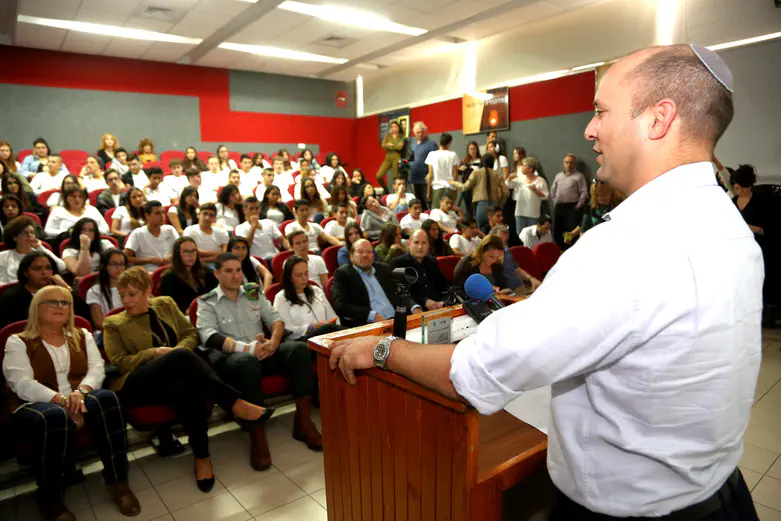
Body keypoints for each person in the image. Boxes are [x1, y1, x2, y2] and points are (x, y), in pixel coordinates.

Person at [329, 44, 763, 521]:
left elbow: (472, 373)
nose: (590, 129)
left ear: (659, 119)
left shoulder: (626, 246)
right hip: (722, 499)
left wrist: (382, 349)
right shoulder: (728, 224)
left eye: (601, 111)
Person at [104, 267, 273, 487]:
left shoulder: (165, 304)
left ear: (147, 291)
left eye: (132, 294)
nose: (126, 300)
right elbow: (118, 362)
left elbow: (190, 334)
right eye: (122, 295)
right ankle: (235, 403)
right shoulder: (113, 323)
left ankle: (202, 458)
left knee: (187, 388)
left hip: (175, 377)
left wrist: (175, 353)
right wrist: (154, 353)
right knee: (181, 358)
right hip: (138, 382)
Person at [3, 285, 140, 521]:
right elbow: (21, 383)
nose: (60, 306)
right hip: (35, 403)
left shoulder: (82, 335)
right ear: (37, 309)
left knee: (107, 398)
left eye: (65, 302)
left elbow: (97, 369)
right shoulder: (18, 341)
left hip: (78, 396)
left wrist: (80, 392)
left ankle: (118, 481)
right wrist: (62, 401)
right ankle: (50, 498)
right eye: (52, 302)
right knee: (54, 416)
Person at [197, 253, 323, 469]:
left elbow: (276, 319)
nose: (235, 276)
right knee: (245, 362)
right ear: (216, 274)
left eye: (238, 270)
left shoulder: (252, 292)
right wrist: (247, 348)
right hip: (233, 360)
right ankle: (257, 435)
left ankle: (304, 422)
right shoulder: (207, 302)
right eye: (228, 271)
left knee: (299, 350)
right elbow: (208, 336)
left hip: (264, 351)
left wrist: (274, 342)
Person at [331, 239, 421, 328]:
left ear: (373, 255)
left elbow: (401, 292)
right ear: (351, 256)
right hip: (371, 327)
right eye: (360, 252)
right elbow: (341, 305)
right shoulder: (343, 274)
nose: (365, 255)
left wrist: (414, 307)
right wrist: (371, 315)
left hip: (398, 321)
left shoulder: (384, 269)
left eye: (369, 252)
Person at [731, 164, 776, 326]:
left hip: (760, 246)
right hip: (738, 248)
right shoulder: (732, 203)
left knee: (761, 279)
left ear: (750, 186)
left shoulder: (763, 201)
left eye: (742, 188)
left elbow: (771, 227)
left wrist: (754, 228)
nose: (739, 192)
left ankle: (765, 311)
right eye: (736, 188)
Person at [0, 251, 87, 330]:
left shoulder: (60, 292)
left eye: (48, 268)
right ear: (25, 272)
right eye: (37, 268)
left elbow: (85, 316)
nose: (44, 272)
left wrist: (66, 288)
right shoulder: (12, 297)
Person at [273, 255, 342, 340]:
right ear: (288, 277)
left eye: (306, 273)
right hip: (303, 340)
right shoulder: (281, 298)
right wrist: (310, 327)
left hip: (328, 335)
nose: (304, 278)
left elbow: (333, 317)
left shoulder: (316, 291)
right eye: (299, 275)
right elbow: (286, 330)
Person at [391, 229, 450, 310]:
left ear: (429, 245)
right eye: (416, 242)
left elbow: (445, 286)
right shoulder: (398, 264)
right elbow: (399, 294)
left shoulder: (432, 261)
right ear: (409, 243)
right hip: (416, 310)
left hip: (439, 307)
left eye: (424, 243)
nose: (420, 247)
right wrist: (425, 301)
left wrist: (443, 302)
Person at [448, 154, 508, 230]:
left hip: (481, 205)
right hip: (494, 205)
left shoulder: (476, 173)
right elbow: (506, 192)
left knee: (482, 230)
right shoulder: (497, 174)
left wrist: (453, 182)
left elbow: (464, 187)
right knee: (495, 230)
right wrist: (500, 204)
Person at [159, 236, 219, 313]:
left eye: (193, 251)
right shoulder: (169, 277)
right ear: (177, 254)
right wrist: (188, 311)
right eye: (186, 251)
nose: (191, 255)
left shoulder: (205, 271)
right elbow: (169, 305)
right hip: (184, 316)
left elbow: (217, 292)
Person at [0, 216, 66, 284]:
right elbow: (2, 282)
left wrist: (40, 248)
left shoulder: (40, 253)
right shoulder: (3, 256)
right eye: (25, 233)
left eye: (32, 232)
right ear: (15, 237)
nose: (30, 235)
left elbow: (61, 267)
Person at [124, 201, 180, 272]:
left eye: (163, 212)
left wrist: (172, 256)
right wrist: (150, 260)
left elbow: (181, 248)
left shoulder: (170, 229)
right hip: (149, 272)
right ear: (147, 216)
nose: (162, 216)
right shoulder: (138, 233)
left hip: (171, 270)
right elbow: (125, 258)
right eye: (157, 213)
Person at [550, 153, 588, 249]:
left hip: (572, 207)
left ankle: (569, 249)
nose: (569, 165)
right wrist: (555, 201)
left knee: (570, 229)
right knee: (558, 229)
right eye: (567, 162)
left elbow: (584, 192)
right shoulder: (558, 176)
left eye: (571, 163)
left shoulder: (579, 176)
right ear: (563, 163)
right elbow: (553, 189)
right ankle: (559, 249)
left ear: (574, 164)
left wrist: (578, 205)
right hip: (559, 206)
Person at [234, 196, 288, 263]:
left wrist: (290, 248)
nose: (254, 211)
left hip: (274, 258)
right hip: (256, 261)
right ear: (244, 210)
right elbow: (246, 246)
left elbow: (282, 240)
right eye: (251, 209)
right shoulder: (240, 228)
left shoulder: (268, 222)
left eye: (257, 208)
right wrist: (253, 226)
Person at [492, 224, 541, 292]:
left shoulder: (507, 251)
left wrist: (531, 278)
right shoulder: (489, 258)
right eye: (500, 240)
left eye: (505, 241)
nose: (502, 244)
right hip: (508, 292)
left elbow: (517, 269)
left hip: (521, 288)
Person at [45, 187, 110, 238]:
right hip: (67, 242)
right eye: (73, 196)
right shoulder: (58, 211)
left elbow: (105, 228)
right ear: (66, 198)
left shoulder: (92, 210)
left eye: (80, 197)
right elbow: (48, 231)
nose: (77, 199)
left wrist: (91, 232)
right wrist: (68, 233)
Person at [507, 156, 549, 232]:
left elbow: (545, 196)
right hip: (520, 213)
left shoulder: (541, 181)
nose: (521, 167)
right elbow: (509, 185)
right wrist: (509, 178)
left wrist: (536, 191)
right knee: (520, 234)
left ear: (530, 169)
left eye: (523, 165)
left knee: (532, 234)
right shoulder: (520, 178)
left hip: (533, 214)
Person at [86, 248, 126, 329]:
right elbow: (99, 323)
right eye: (114, 264)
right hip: (109, 331)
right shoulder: (94, 291)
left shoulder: (132, 287)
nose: (118, 268)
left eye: (121, 264)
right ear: (104, 266)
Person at [409, 121, 439, 210]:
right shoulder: (413, 144)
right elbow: (411, 158)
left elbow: (436, 161)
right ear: (414, 133)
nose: (420, 134)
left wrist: (431, 174)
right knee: (419, 203)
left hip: (426, 179)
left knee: (428, 202)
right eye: (418, 132)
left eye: (422, 132)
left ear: (425, 132)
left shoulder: (432, 144)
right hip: (415, 178)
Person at [425, 133, 459, 208]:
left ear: (439, 142)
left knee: (436, 212)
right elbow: (455, 175)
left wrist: (428, 192)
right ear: (449, 143)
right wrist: (456, 189)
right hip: (450, 187)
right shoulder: (453, 155)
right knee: (450, 211)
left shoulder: (432, 154)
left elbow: (430, 175)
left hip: (437, 188)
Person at [376, 120, 405, 190]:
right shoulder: (388, 135)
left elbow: (400, 147)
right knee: (378, 176)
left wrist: (389, 145)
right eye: (392, 127)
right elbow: (383, 145)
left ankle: (397, 192)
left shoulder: (401, 136)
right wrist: (393, 145)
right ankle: (385, 189)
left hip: (396, 158)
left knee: (395, 178)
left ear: (398, 127)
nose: (394, 128)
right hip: (387, 158)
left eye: (395, 126)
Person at [457, 141, 482, 218]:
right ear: (468, 150)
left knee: (477, 205)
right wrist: (461, 169)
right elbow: (459, 172)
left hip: (477, 186)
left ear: (477, 150)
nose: (472, 151)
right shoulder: (465, 161)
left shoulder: (481, 160)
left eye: (474, 149)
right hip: (467, 185)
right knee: (468, 205)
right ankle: (470, 219)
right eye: (470, 149)